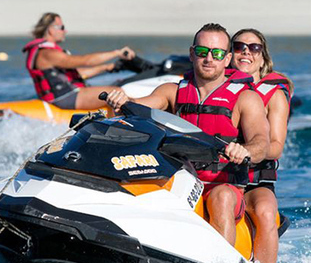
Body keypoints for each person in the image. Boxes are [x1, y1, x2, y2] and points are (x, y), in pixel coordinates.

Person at [105, 23, 270, 246]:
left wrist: (245, 150)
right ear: (192, 54)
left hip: (222, 186)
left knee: (222, 198)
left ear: (228, 58)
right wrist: (121, 103)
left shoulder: (246, 98)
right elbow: (138, 107)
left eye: (217, 53)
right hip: (181, 178)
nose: (209, 58)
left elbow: (261, 143)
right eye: (202, 52)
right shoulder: (172, 91)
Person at [229, 29, 292, 263]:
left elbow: (275, 148)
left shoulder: (273, 96)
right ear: (228, 55)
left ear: (263, 58)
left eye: (254, 48)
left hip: (254, 181)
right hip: (212, 175)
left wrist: (246, 151)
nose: (246, 51)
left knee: (265, 210)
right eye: (238, 46)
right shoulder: (214, 89)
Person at [24, 12, 136, 110]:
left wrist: (107, 67)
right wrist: (117, 53)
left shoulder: (46, 52)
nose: (65, 31)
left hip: (67, 94)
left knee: (117, 88)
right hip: (63, 98)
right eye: (62, 27)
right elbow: (86, 61)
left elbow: (79, 73)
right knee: (117, 92)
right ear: (51, 30)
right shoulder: (47, 54)